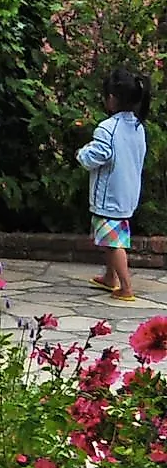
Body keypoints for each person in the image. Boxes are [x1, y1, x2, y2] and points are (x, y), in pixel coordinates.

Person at [78, 69, 150, 301]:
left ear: (111, 98)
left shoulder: (107, 128)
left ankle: (126, 286)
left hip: (109, 196)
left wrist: (82, 153)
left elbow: (97, 155)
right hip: (126, 194)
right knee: (110, 237)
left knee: (113, 243)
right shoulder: (137, 126)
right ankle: (110, 277)